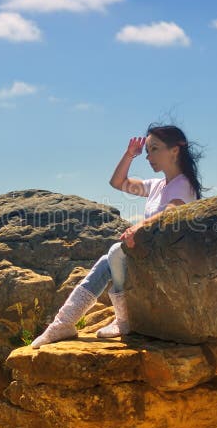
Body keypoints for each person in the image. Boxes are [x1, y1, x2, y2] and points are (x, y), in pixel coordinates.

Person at [31, 123, 204, 349]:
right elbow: (118, 183)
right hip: (152, 256)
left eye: (155, 149)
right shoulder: (157, 185)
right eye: (148, 150)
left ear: (175, 150)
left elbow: (169, 213)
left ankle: (121, 321)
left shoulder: (183, 185)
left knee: (114, 253)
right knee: (107, 261)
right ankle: (63, 323)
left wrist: (137, 229)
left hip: (170, 262)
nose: (149, 156)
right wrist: (129, 155)